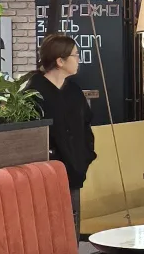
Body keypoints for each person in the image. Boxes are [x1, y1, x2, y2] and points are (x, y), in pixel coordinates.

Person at [27, 32, 96, 232]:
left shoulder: (74, 91)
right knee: (49, 230)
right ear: (60, 61)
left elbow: (86, 126)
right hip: (45, 176)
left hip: (74, 173)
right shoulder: (34, 93)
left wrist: (85, 157)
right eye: (75, 55)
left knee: (72, 229)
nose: (78, 60)